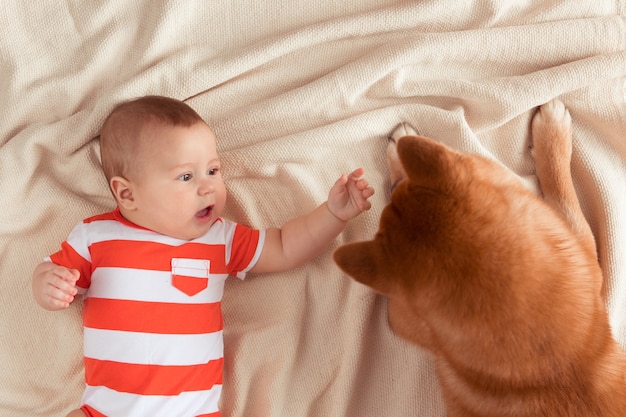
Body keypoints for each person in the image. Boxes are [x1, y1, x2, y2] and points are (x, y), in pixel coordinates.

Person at [31, 95, 374, 417]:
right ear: (127, 193)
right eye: (186, 176)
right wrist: (48, 284)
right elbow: (52, 270)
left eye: (213, 170)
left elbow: (284, 246)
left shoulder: (219, 239)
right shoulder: (96, 236)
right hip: (104, 410)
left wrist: (332, 215)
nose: (208, 185)